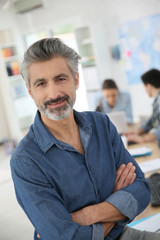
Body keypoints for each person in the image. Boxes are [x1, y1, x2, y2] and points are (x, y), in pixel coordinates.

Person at [10, 38, 160, 240]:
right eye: (41, 83)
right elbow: (67, 237)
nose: (53, 93)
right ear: (30, 91)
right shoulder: (25, 161)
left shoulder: (101, 125)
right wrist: (116, 204)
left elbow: (142, 190)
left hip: (123, 234)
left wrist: (89, 214)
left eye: (61, 79)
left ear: (76, 80)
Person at [126, 69, 160, 146]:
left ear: (149, 86)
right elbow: (152, 121)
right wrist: (137, 132)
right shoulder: (157, 101)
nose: (145, 90)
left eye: (144, 87)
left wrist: (143, 138)